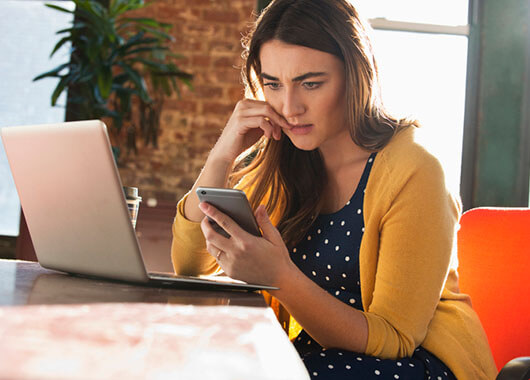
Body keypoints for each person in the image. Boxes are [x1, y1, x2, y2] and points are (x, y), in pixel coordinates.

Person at [171, 0, 497, 379]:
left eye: (311, 83)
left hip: (415, 364)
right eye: (273, 84)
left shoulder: (415, 169)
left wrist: (280, 278)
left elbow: (395, 339)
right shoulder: (287, 159)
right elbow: (191, 265)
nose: (290, 107)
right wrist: (222, 154)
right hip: (320, 360)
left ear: (355, 75)